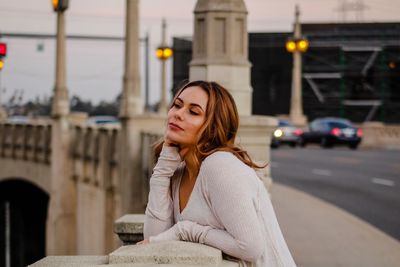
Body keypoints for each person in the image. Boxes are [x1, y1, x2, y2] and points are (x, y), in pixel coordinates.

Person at [140, 80, 296, 267]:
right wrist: (162, 171)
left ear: (213, 127)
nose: (178, 114)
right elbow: (154, 240)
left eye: (193, 112)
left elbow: (250, 247)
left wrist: (186, 230)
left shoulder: (220, 166)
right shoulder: (178, 172)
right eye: (177, 105)